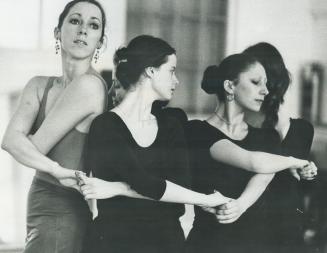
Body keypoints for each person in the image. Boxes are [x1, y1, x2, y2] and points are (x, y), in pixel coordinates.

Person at [80, 35, 230, 253]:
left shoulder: (171, 126)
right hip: (115, 242)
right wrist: (206, 199)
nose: (176, 80)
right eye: (171, 70)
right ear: (150, 71)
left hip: (165, 243)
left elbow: (181, 185)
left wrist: (117, 188)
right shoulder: (105, 126)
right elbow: (145, 182)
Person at [0, 1, 119, 252]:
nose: (83, 30)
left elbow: (33, 147)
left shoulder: (90, 86)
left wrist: (29, 146)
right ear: (57, 32)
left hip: (64, 207)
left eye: (93, 25)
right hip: (39, 201)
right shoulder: (38, 85)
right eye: (75, 21)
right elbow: (9, 141)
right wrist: (55, 168)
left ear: (100, 42)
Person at [184, 53, 316, 253]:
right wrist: (294, 161)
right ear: (230, 86)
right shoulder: (196, 131)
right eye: (256, 82)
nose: (265, 91)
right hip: (208, 244)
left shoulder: (267, 137)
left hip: (254, 245)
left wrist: (240, 205)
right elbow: (253, 161)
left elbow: (263, 177)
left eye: (266, 83)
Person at [244, 42, 317, 253]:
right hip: (249, 228)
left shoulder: (303, 130)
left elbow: (301, 188)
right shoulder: (241, 127)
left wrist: (308, 174)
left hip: (288, 230)